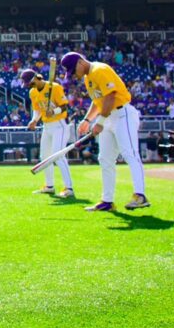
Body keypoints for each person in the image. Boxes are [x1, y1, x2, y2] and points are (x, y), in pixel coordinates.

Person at [61, 51, 148, 212]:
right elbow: (97, 102)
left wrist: (99, 122)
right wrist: (87, 120)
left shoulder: (99, 70)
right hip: (108, 117)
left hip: (122, 115)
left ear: (81, 62)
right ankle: (107, 201)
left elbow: (111, 96)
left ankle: (140, 195)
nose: (74, 75)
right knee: (105, 158)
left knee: (130, 153)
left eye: (74, 70)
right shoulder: (88, 78)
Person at [22, 68, 74, 198]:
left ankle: (69, 188)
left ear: (36, 78)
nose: (29, 85)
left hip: (59, 125)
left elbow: (64, 106)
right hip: (46, 126)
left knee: (58, 155)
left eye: (30, 82)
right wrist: (34, 120)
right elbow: (37, 109)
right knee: (44, 156)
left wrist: (54, 111)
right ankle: (49, 186)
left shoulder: (55, 87)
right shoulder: (32, 92)